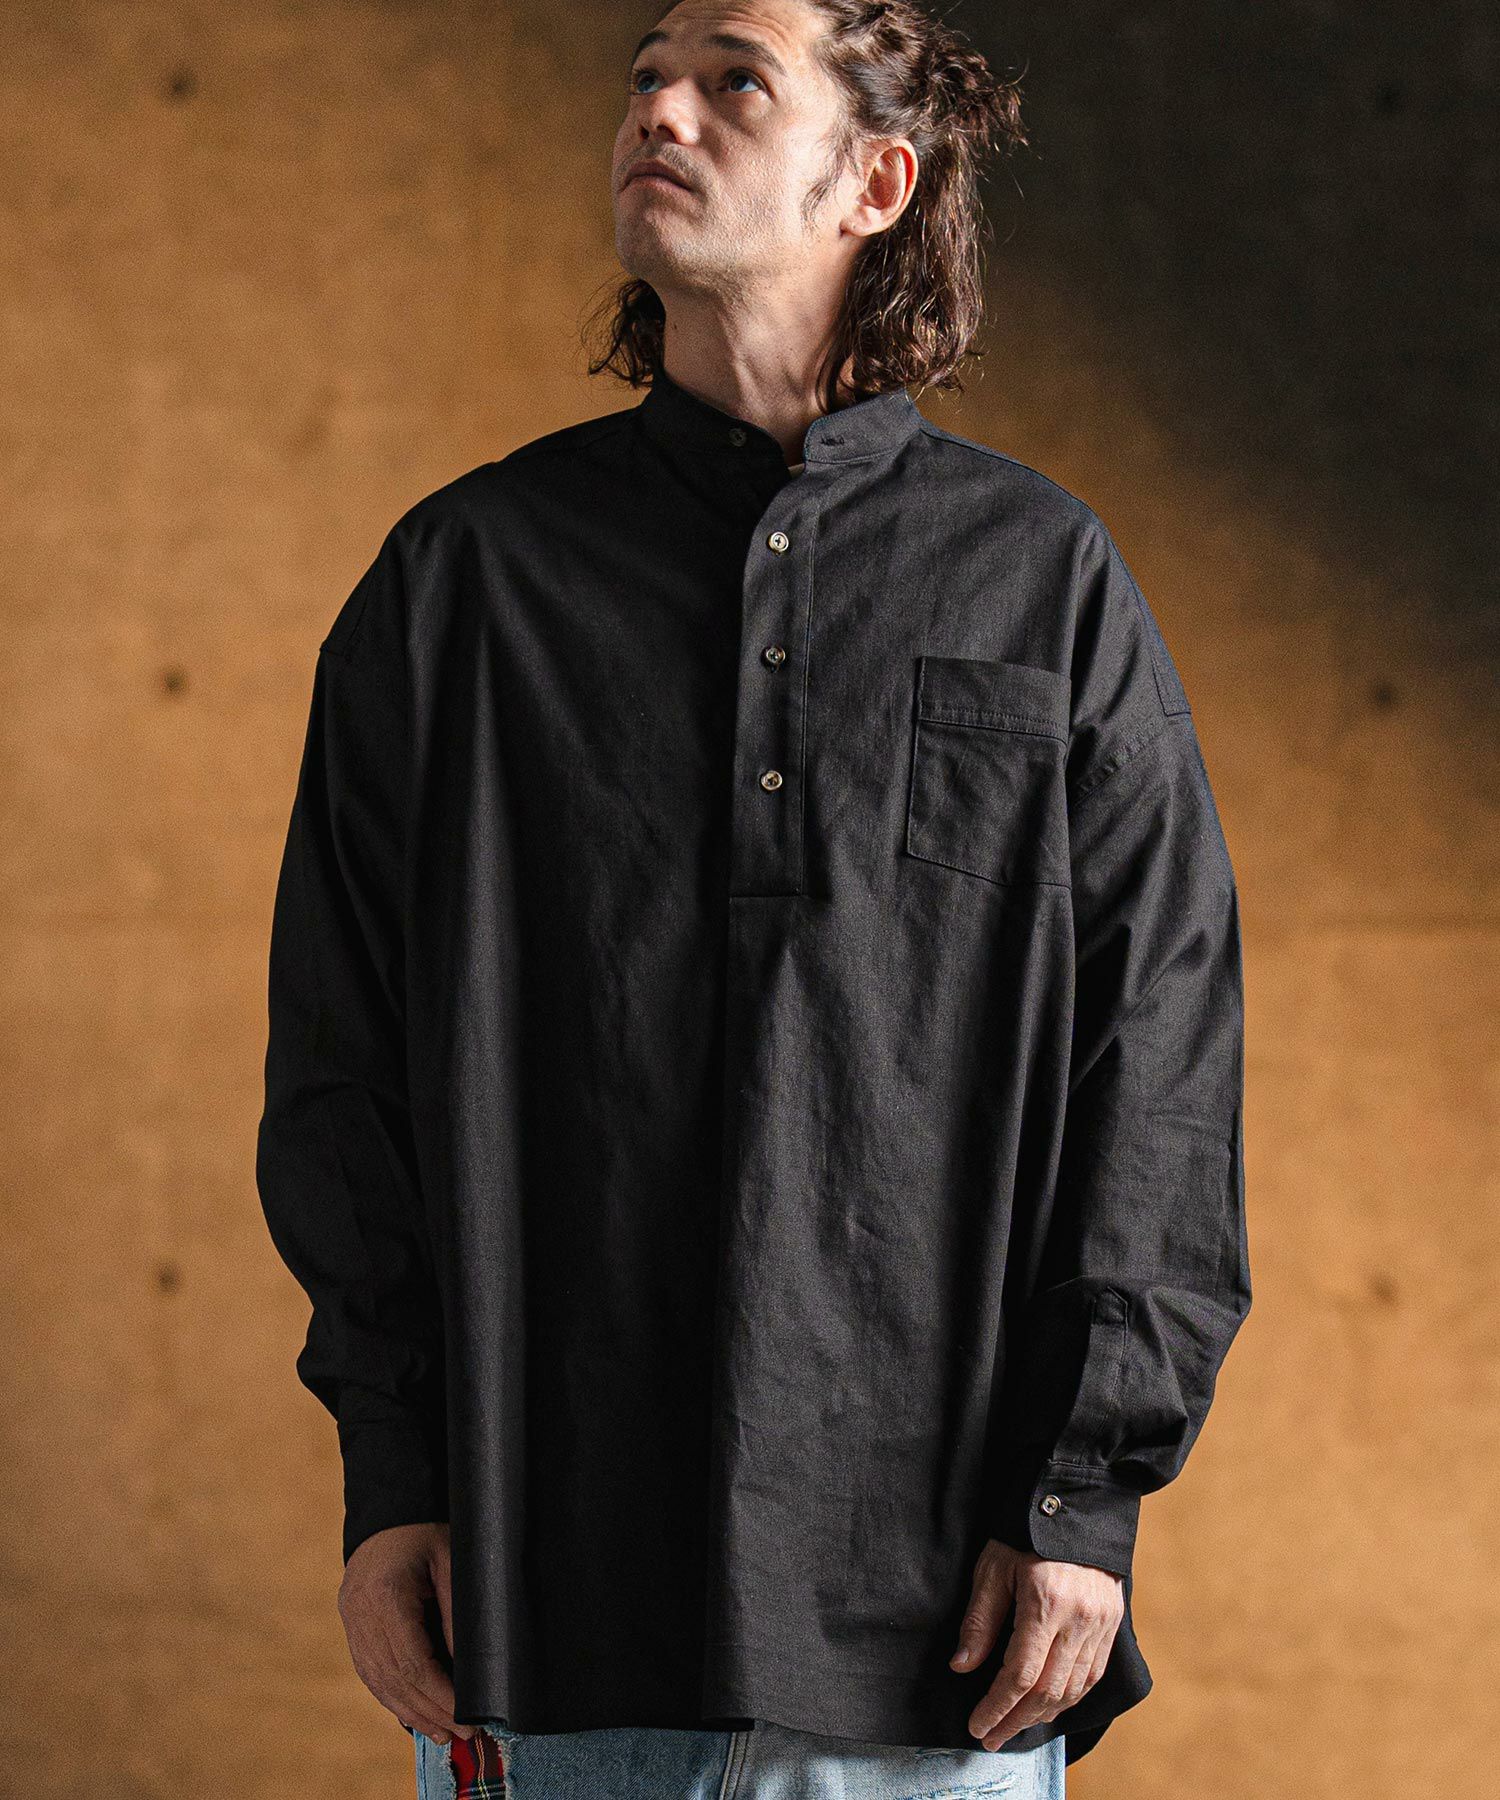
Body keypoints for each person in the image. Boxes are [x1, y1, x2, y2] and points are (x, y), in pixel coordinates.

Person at [255, 2, 1252, 1796]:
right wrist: (392, 1478)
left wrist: (1078, 1495)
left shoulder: (1042, 582)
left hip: (936, 1637)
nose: (661, 108)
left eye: (732, 79)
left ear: (878, 180)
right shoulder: (464, 580)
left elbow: (1161, 1064)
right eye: (645, 75)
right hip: (549, 1614)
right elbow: (342, 1063)